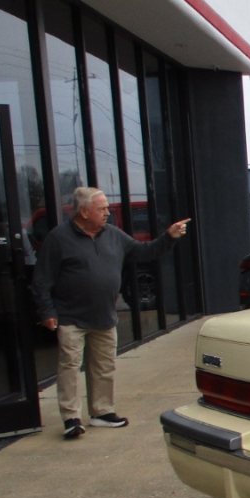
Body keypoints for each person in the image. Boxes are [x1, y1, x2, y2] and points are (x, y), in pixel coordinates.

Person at [32, 187, 189, 440]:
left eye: (106, 208)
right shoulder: (59, 238)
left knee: (104, 367)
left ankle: (101, 413)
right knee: (70, 368)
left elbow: (144, 251)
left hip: (104, 316)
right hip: (70, 316)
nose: (107, 213)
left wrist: (169, 236)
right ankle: (71, 418)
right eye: (101, 208)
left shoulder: (113, 235)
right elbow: (42, 279)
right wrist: (47, 311)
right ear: (84, 211)